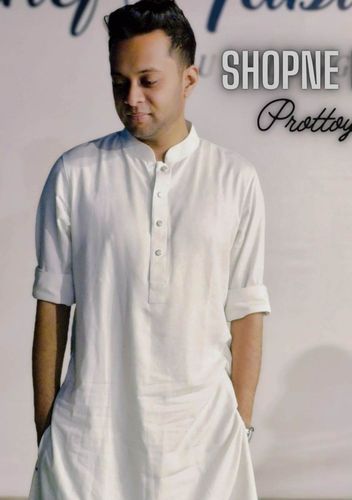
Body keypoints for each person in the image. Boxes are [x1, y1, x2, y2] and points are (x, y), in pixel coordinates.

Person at [28, 0, 271, 498]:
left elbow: (246, 310)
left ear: (189, 79)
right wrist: (48, 432)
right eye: (120, 83)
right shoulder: (75, 174)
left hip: (204, 451)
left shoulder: (234, 179)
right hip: (89, 448)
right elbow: (52, 305)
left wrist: (239, 426)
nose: (131, 98)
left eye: (148, 80)